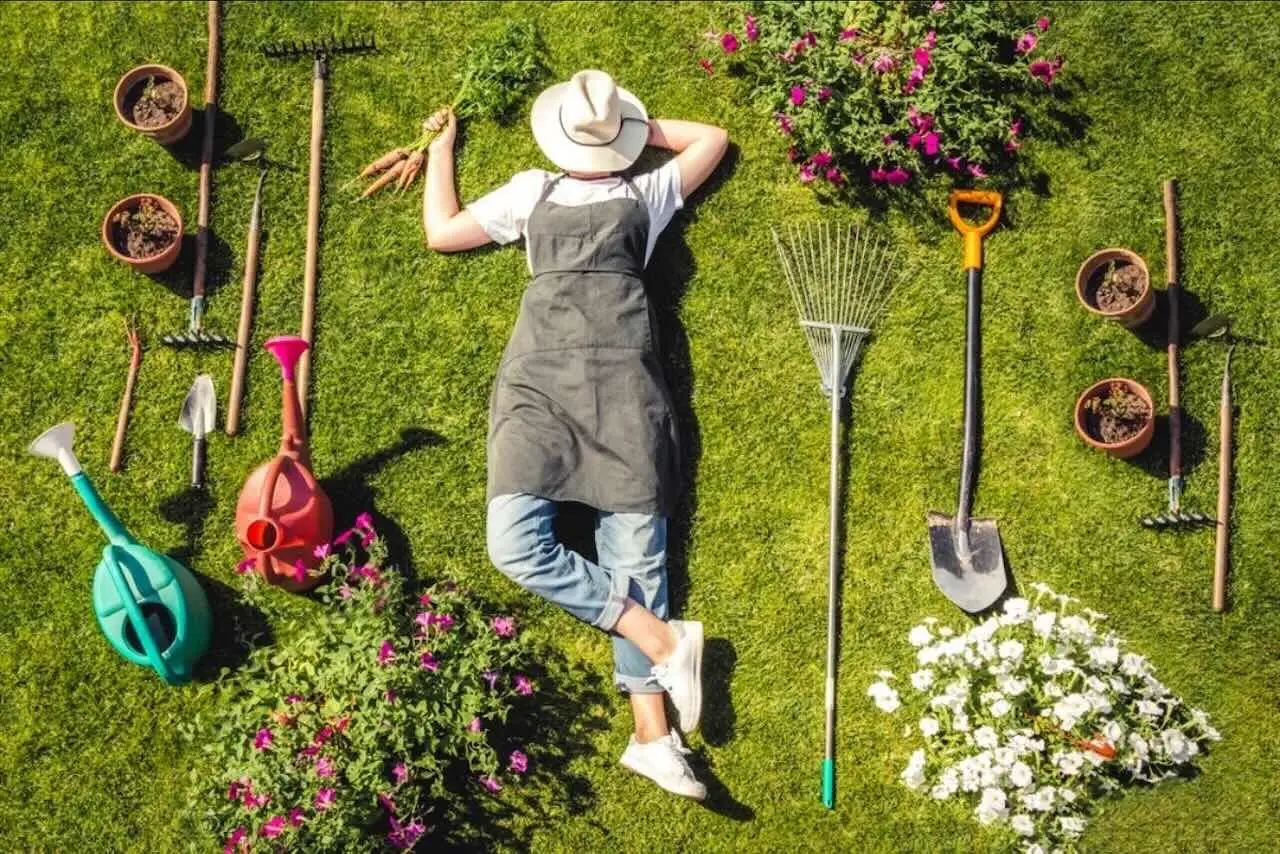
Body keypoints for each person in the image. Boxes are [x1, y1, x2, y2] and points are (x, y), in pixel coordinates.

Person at [422, 69, 728, 800]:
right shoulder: (535, 191)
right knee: (513, 544)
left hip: (625, 383)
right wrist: (443, 150)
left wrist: (625, 137)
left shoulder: (646, 195)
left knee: (637, 553)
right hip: (541, 387)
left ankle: (653, 736)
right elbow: (442, 234)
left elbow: (715, 139)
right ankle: (660, 640)